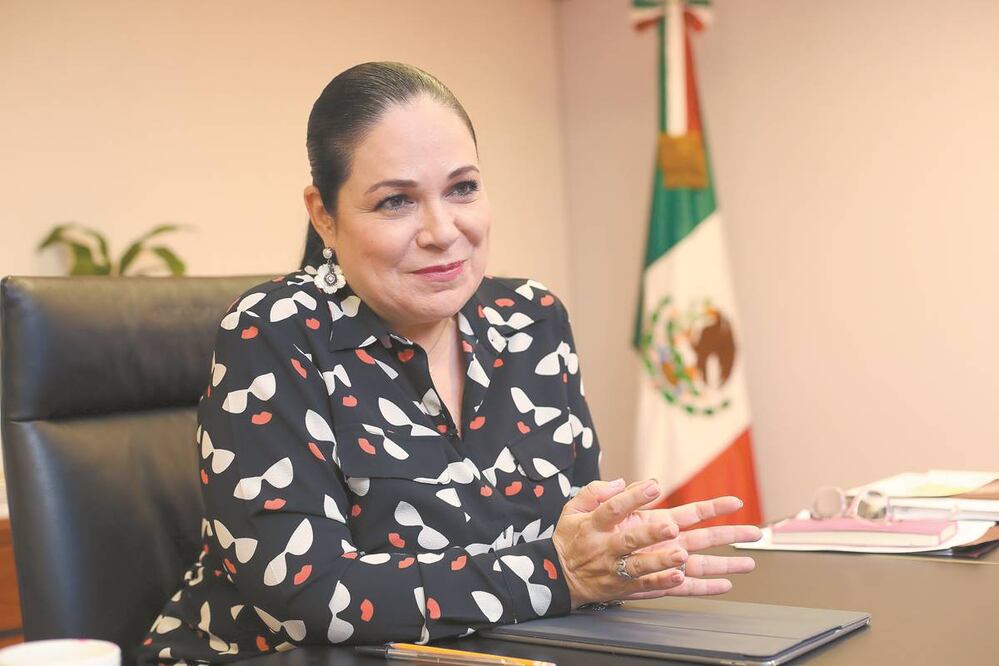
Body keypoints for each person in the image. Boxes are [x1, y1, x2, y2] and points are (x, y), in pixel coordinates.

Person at [138, 61, 761, 664]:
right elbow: (310, 598)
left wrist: (619, 554)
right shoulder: (273, 332)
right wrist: (560, 573)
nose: (443, 230)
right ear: (323, 215)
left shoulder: (533, 320)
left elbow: (575, 529)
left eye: (462, 188)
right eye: (395, 202)